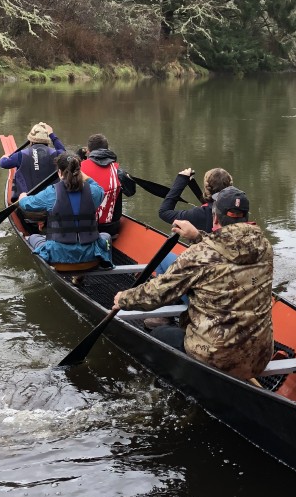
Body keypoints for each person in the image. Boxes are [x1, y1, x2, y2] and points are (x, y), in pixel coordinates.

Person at [114, 187, 273, 380]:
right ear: (245, 217)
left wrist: (124, 299)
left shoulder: (198, 256)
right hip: (260, 358)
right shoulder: (264, 247)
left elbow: (157, 294)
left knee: (159, 335)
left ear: (215, 218)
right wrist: (198, 236)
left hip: (216, 358)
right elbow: (229, 250)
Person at [18, 151, 112, 266]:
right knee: (106, 236)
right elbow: (100, 189)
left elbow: (26, 205)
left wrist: (22, 197)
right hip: (90, 256)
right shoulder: (95, 191)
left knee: (33, 237)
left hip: (59, 257)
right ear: (79, 171)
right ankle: (92, 270)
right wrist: (82, 175)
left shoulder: (51, 192)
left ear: (59, 172)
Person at [80, 133, 137, 237]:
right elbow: (131, 192)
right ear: (107, 149)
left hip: (85, 228)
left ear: (88, 151)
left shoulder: (79, 168)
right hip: (111, 228)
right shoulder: (118, 170)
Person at [159, 167, 233, 234]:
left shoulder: (200, 213)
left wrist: (181, 179)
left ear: (207, 189)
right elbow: (211, 204)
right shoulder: (240, 206)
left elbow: (164, 212)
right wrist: (192, 184)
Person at [0, 122, 65, 197]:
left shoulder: (21, 155)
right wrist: (52, 135)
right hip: (50, 200)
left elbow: (3, 164)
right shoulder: (57, 154)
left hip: (27, 200)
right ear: (47, 141)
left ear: (31, 141)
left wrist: (4, 157)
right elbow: (65, 154)